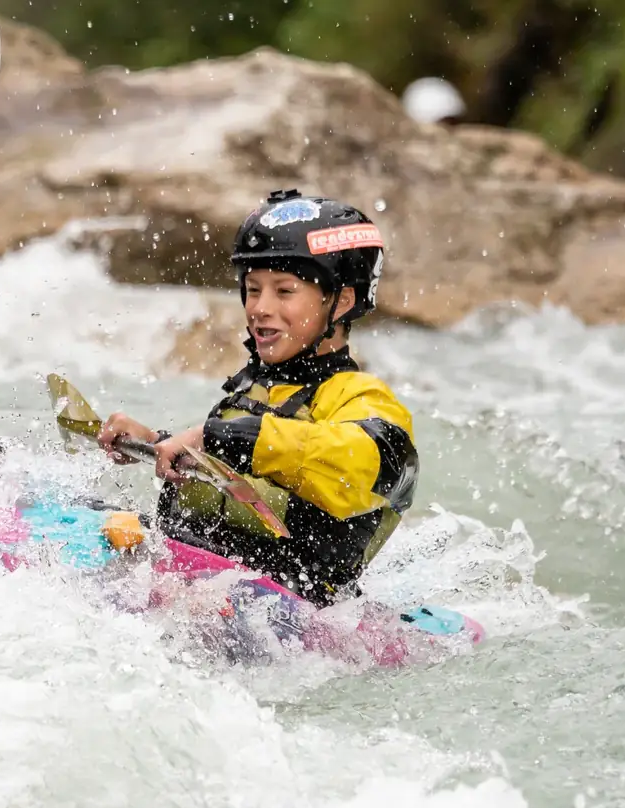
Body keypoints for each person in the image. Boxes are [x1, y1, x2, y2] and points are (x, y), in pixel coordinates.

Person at [97, 188, 418, 606]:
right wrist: (157, 443)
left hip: (288, 612)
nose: (260, 309)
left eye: (284, 291)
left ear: (340, 301)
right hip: (205, 575)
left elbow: (367, 464)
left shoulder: (362, 397)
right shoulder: (256, 390)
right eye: (253, 289)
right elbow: (238, 476)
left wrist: (215, 436)